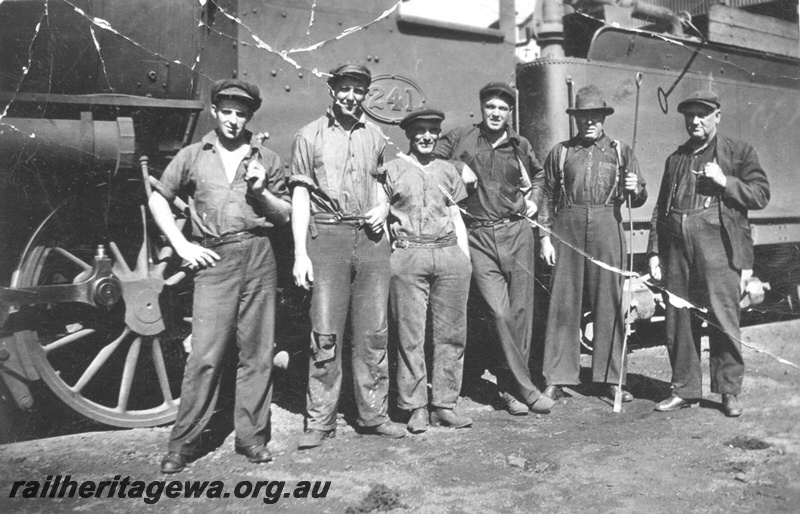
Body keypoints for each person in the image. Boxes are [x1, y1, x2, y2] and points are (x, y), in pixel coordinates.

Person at [150, 79, 291, 473]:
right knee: (205, 355)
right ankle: (182, 444)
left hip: (260, 255)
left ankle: (251, 439)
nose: (233, 120)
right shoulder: (194, 155)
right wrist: (181, 245)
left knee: (257, 353)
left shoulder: (268, 158)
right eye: (226, 111)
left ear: (250, 117)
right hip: (214, 259)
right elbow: (158, 197)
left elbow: (284, 215)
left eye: (241, 114)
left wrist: (261, 192)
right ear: (215, 111)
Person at [290, 63, 405, 449]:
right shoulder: (309, 135)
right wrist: (299, 254)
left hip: (371, 240)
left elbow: (383, 184)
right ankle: (320, 422)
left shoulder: (376, 136)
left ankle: (373, 415)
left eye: (359, 90)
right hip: (328, 237)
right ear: (332, 91)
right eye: (345, 88)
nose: (352, 97)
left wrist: (384, 208)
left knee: (373, 332)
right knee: (325, 333)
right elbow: (300, 196)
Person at [433, 82, 554, 416]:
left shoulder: (521, 145)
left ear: (510, 112)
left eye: (502, 108)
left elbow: (541, 177)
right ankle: (527, 391)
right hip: (479, 237)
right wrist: (459, 168)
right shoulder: (462, 139)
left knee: (521, 316)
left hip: (517, 235)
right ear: (482, 108)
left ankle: (509, 389)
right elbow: (430, 162)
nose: (496, 113)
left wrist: (533, 200)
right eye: (491, 107)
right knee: (499, 314)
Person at [648, 89, 769, 417]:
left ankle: (728, 391)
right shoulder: (676, 158)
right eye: (689, 115)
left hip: (718, 244)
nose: (695, 120)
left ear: (717, 115)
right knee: (678, 318)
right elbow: (661, 208)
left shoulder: (738, 152)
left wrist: (726, 181)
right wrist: (654, 252)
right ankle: (684, 389)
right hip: (676, 246)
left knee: (722, 316)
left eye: (702, 114)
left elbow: (761, 195)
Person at [539, 85, 647, 403]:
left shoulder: (620, 151)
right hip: (566, 226)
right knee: (563, 302)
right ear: (576, 118)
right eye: (584, 116)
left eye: (595, 116)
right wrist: (545, 237)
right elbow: (546, 195)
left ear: (603, 118)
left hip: (607, 223)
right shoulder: (560, 152)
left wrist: (635, 187)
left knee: (609, 301)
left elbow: (639, 196)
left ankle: (611, 379)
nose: (590, 122)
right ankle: (557, 377)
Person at [384, 108, 473, 433]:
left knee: (451, 335)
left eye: (433, 130)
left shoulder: (448, 170)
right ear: (409, 134)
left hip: (448, 254)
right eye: (420, 130)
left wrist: (464, 258)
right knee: (410, 336)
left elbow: (457, 215)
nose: (426, 136)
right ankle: (415, 406)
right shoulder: (392, 170)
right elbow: (382, 216)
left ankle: (444, 405)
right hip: (409, 255)